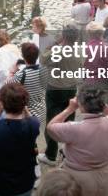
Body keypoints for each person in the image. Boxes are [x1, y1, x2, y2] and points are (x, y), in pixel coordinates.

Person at [47, 87, 108, 195]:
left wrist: (70, 109)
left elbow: (51, 127)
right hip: (104, 175)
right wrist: (101, 103)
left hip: (78, 177)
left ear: (81, 106)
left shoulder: (74, 128)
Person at [38, 21, 81, 167]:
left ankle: (51, 155)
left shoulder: (59, 50)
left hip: (56, 88)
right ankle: (69, 149)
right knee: (69, 118)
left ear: (63, 35)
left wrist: (55, 43)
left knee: (52, 121)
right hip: (72, 87)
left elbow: (43, 59)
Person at [9, 43, 45, 123]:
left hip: (29, 114)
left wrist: (12, 71)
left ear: (23, 56)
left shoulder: (22, 74)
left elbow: (7, 85)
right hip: (43, 111)